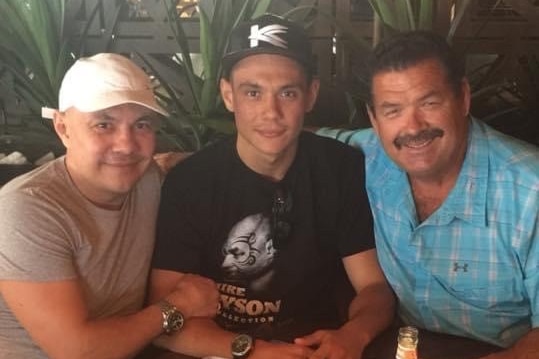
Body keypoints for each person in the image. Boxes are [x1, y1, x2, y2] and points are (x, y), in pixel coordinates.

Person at [149, 14, 395, 359]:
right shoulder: (190, 182)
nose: (271, 112)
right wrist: (251, 351)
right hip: (216, 347)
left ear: (310, 95)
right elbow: (164, 319)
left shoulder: (340, 169)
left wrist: (353, 335)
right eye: (253, 92)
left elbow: (373, 287)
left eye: (288, 93)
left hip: (311, 348)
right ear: (228, 95)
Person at [317, 30, 539, 358]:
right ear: (374, 120)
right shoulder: (366, 153)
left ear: (463, 97)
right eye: (393, 111)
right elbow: (286, 138)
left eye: (429, 103)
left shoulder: (529, 191)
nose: (413, 127)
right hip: (398, 345)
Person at [0, 53, 219, 359]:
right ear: (63, 128)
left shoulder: (147, 181)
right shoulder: (26, 210)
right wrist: (177, 306)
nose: (126, 145)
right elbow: (78, 352)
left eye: (142, 124)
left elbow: (192, 166)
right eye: (103, 124)